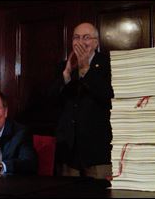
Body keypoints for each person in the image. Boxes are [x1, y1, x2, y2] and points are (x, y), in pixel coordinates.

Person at [53, 22, 114, 180]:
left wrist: (86, 69)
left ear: (96, 42)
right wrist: (66, 74)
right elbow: (52, 100)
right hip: (68, 152)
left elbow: (108, 96)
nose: (80, 42)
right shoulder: (64, 66)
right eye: (76, 37)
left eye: (86, 38)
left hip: (97, 150)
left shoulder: (109, 64)